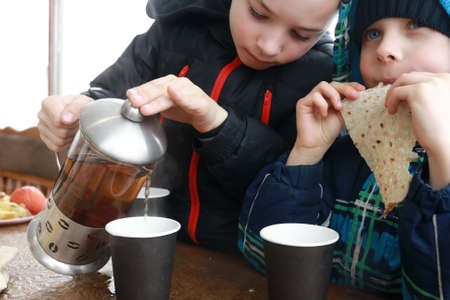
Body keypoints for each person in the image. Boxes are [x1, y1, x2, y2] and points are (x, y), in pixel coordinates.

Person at [37, 0, 341, 252]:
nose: (269, 46)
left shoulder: (322, 79)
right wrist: (80, 109)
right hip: (143, 246)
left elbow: (291, 188)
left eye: (302, 35)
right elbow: (111, 94)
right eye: (258, 13)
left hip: (244, 263)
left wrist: (214, 122)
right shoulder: (176, 28)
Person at [238, 0, 450, 298]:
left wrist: (444, 155)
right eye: (373, 33)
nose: (384, 49)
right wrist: (306, 153)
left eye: (415, 26)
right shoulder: (343, 149)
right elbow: (262, 255)